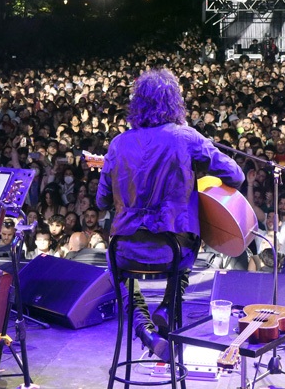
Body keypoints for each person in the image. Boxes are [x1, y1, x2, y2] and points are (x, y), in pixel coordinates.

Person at [97, 68, 244, 361]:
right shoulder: (185, 137)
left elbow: (101, 200)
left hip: (125, 248)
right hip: (172, 249)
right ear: (174, 102)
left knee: (118, 272)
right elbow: (236, 175)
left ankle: (144, 330)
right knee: (183, 257)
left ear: (137, 104)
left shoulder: (118, 143)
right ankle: (167, 306)